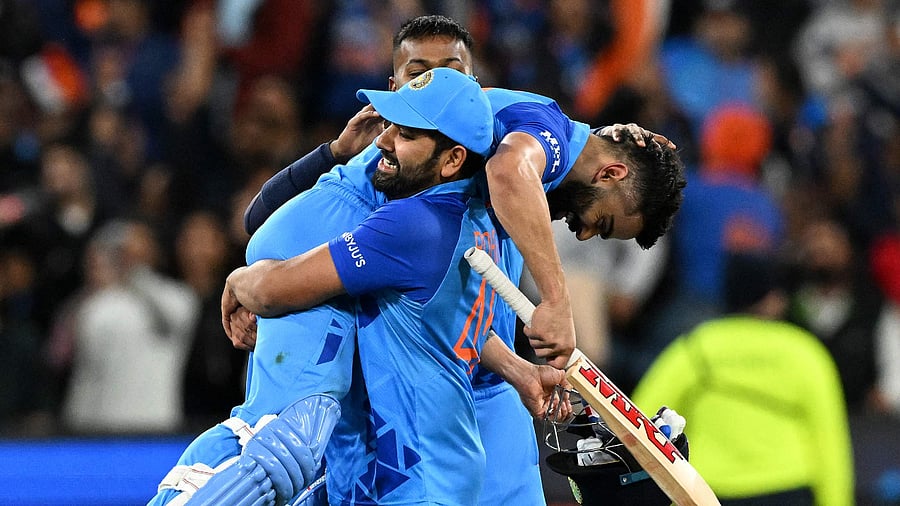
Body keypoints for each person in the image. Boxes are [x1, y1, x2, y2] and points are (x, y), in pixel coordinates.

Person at [229, 14, 685, 506]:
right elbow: (512, 169)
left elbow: (455, 308)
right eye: (607, 222)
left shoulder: (487, 199)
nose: (587, 232)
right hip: (348, 297)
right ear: (611, 173)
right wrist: (557, 300)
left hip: (445, 359)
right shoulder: (535, 141)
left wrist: (518, 369)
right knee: (285, 446)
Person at [151, 68, 567, 506]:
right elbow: (438, 323)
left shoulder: (415, 226)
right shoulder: (475, 219)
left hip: (413, 483)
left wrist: (237, 280)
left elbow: (277, 288)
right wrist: (520, 371)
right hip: (431, 475)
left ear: (452, 160)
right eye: (390, 125)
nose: (384, 141)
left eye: (406, 134)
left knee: (280, 447)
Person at [631, 253, 855, 505]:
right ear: (774, 298)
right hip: (788, 489)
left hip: (708, 489)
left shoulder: (697, 348)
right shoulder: (804, 352)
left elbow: (639, 419)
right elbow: (830, 441)